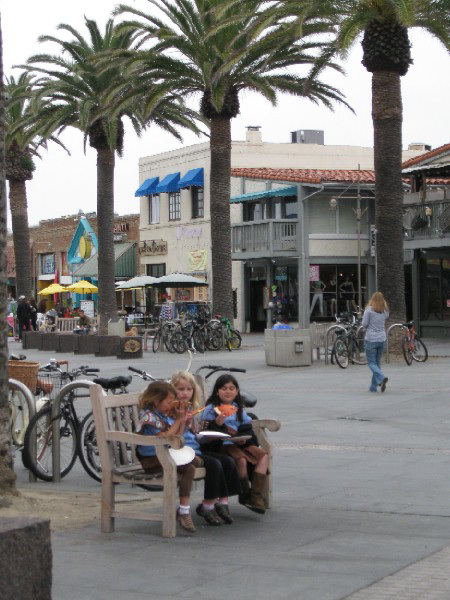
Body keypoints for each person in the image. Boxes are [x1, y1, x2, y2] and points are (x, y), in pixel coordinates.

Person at [171, 371, 241, 526]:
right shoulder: (173, 408)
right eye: (181, 389)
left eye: (189, 390)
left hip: (196, 447)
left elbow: (195, 433)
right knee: (214, 464)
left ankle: (222, 502)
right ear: (173, 391)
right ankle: (207, 505)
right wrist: (182, 421)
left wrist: (206, 432)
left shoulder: (192, 408)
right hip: (182, 452)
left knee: (228, 461)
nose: (185, 393)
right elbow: (172, 435)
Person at [202, 375, 269, 514]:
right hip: (222, 445)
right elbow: (206, 431)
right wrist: (218, 424)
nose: (228, 391)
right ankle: (244, 493)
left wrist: (244, 438)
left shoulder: (237, 408)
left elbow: (246, 426)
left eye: (232, 388)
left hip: (239, 443)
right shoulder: (211, 409)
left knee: (264, 456)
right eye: (224, 388)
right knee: (241, 460)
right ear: (217, 391)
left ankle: (255, 496)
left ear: (237, 391)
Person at [137, 381, 198, 533]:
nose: (172, 405)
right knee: (190, 467)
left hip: (165, 455)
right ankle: (183, 511)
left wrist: (182, 420)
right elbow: (164, 437)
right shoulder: (149, 417)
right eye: (169, 401)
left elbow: (177, 435)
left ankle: (184, 510)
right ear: (157, 401)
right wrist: (178, 421)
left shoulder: (163, 413)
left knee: (195, 462)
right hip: (151, 460)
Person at [362, 291, 389, 393]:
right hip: (382, 338)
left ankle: (381, 377)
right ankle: (373, 387)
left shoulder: (369, 310)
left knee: (371, 363)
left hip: (371, 339)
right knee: (377, 362)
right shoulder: (385, 311)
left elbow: (364, 324)